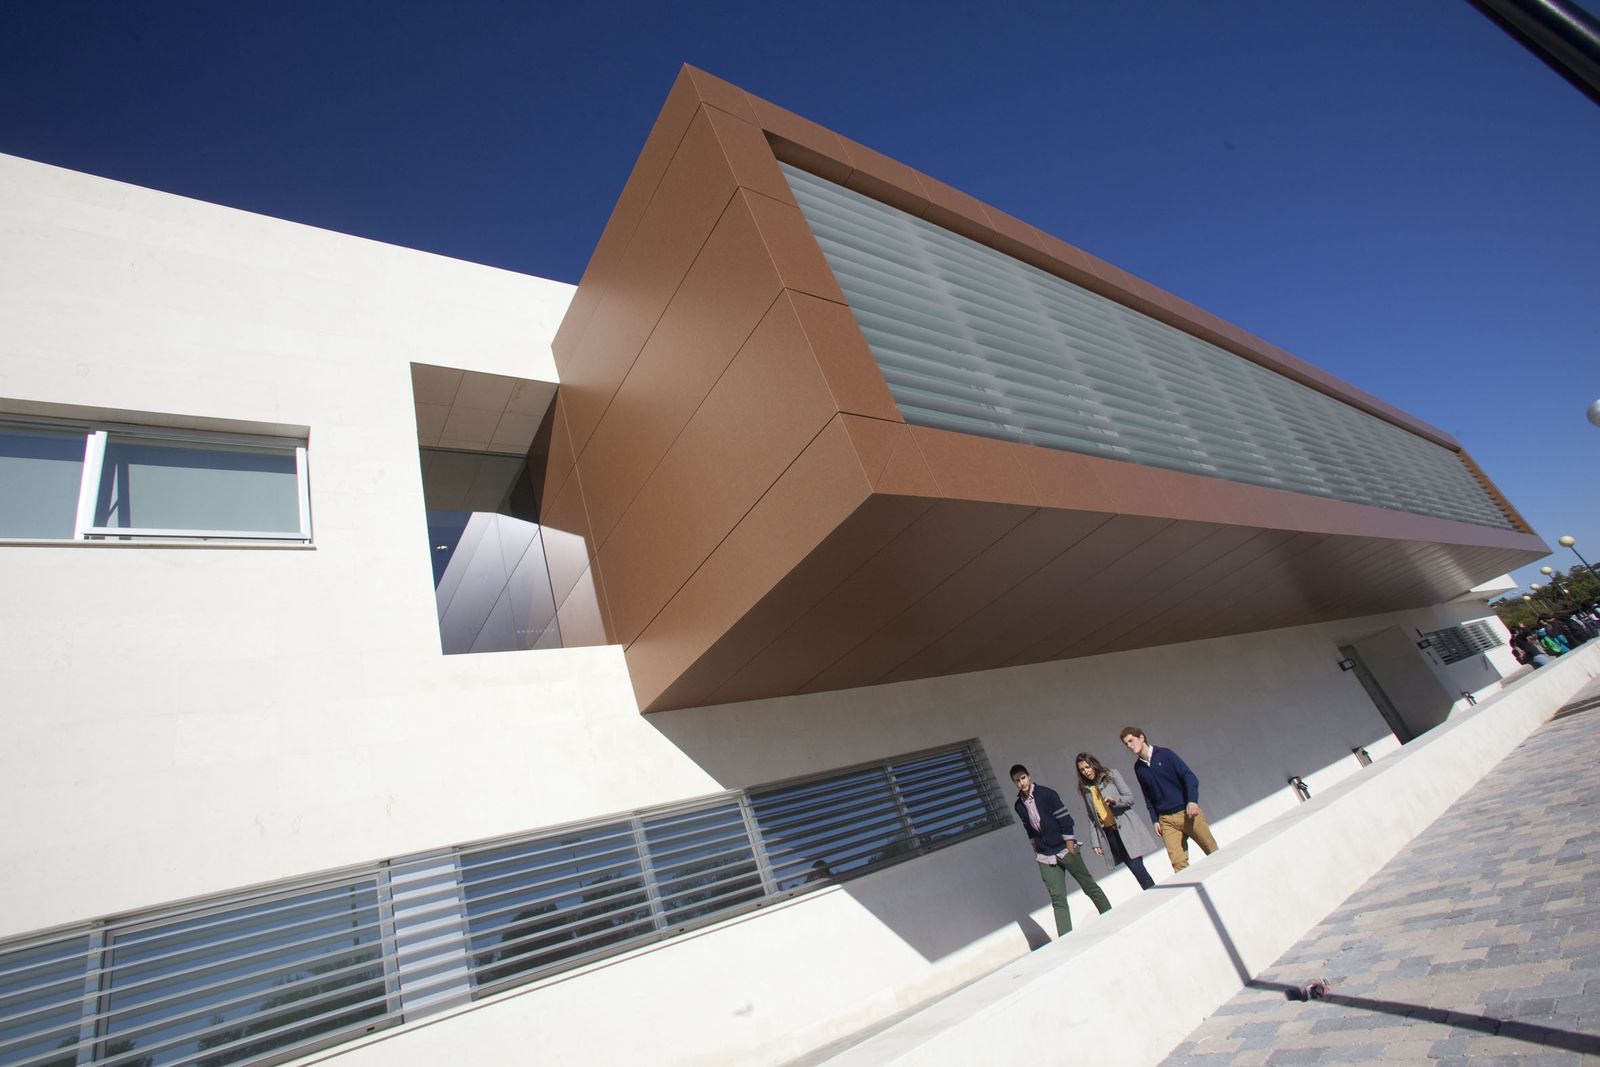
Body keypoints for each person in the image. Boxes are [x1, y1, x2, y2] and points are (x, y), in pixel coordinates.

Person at [1009, 763, 1112, 936]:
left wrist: (1070, 846)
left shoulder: (1047, 794)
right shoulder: (1019, 805)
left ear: (1029, 776)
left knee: (1088, 886)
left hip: (1065, 849)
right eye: (1017, 781)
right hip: (1045, 856)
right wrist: (1035, 847)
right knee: (1057, 899)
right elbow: (1028, 827)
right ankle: (1065, 939)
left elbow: (1065, 819)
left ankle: (1111, 917)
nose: (1022, 783)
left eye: (1023, 778)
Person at [1120, 727, 1219, 873]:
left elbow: (1189, 776)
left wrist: (1192, 801)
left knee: (1212, 851)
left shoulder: (1165, 754)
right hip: (1166, 821)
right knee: (1178, 864)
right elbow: (1148, 796)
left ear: (1141, 738)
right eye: (1126, 744)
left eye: (1131, 741)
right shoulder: (1138, 768)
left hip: (1188, 813)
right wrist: (1155, 820)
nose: (1129, 746)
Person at [1074, 752, 1155, 890]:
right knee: (1134, 867)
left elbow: (1130, 798)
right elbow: (1092, 817)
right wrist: (1095, 842)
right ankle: (1151, 889)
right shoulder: (1085, 789)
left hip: (1125, 826)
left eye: (1087, 767)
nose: (1086, 772)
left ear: (1093, 764)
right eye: (1082, 770)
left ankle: (1151, 890)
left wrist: (1115, 801)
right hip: (1110, 834)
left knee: (1136, 865)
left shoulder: (1111, 775)